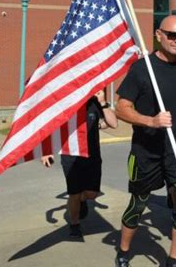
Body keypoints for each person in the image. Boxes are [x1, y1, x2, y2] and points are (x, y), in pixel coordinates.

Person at [113, 15, 176, 267]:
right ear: (158, 35)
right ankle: (123, 255)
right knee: (138, 205)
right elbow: (121, 108)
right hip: (145, 151)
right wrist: (150, 120)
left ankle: (172, 263)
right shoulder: (141, 69)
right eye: (172, 35)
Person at [41, 89, 118, 238]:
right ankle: (75, 224)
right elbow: (49, 127)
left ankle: (81, 200)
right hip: (71, 155)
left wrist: (102, 103)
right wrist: (46, 150)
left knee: (91, 194)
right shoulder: (65, 104)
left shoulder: (95, 103)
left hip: (92, 155)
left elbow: (113, 123)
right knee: (74, 193)